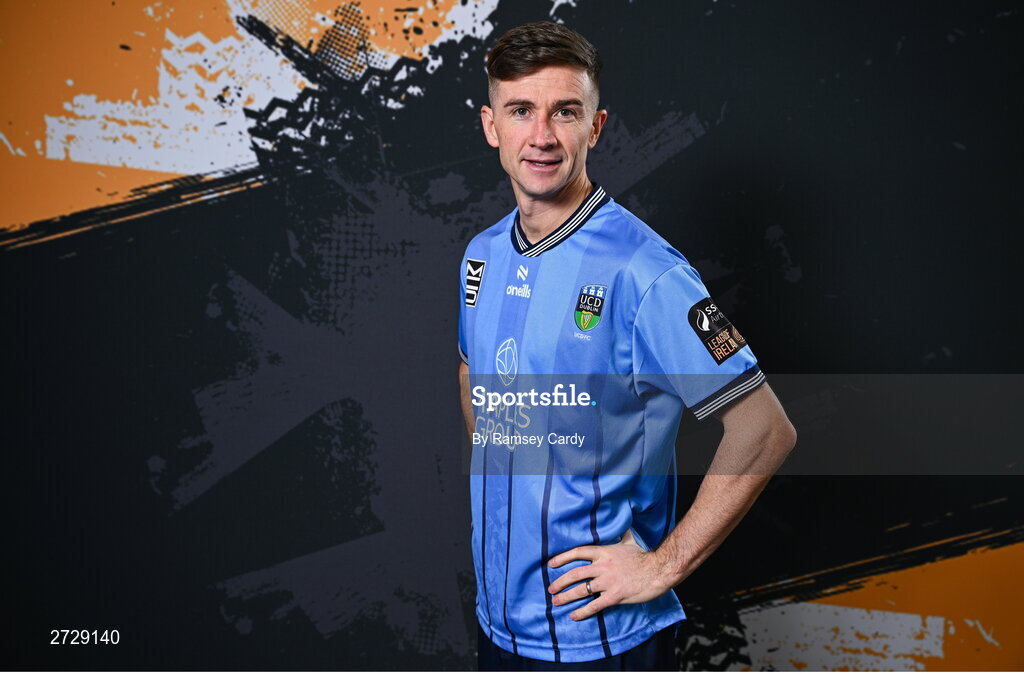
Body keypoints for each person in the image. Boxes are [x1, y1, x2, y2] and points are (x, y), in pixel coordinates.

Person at [457, 21, 796, 670]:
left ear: (597, 127)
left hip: (600, 638)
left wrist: (660, 566)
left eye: (566, 112)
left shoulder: (645, 272)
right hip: (497, 625)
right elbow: (474, 371)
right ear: (490, 125)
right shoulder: (480, 258)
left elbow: (763, 428)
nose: (543, 136)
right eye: (521, 110)